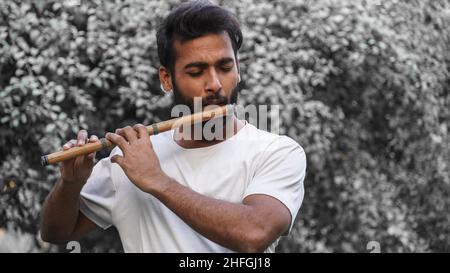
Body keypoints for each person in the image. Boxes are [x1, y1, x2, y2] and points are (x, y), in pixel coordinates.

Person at [40, 0, 306, 253]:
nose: (214, 83)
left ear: (238, 69)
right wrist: (70, 184)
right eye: (196, 72)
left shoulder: (277, 152)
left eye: (225, 67)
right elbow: (56, 233)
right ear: (167, 79)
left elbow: (255, 234)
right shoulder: (129, 160)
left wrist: (157, 180)